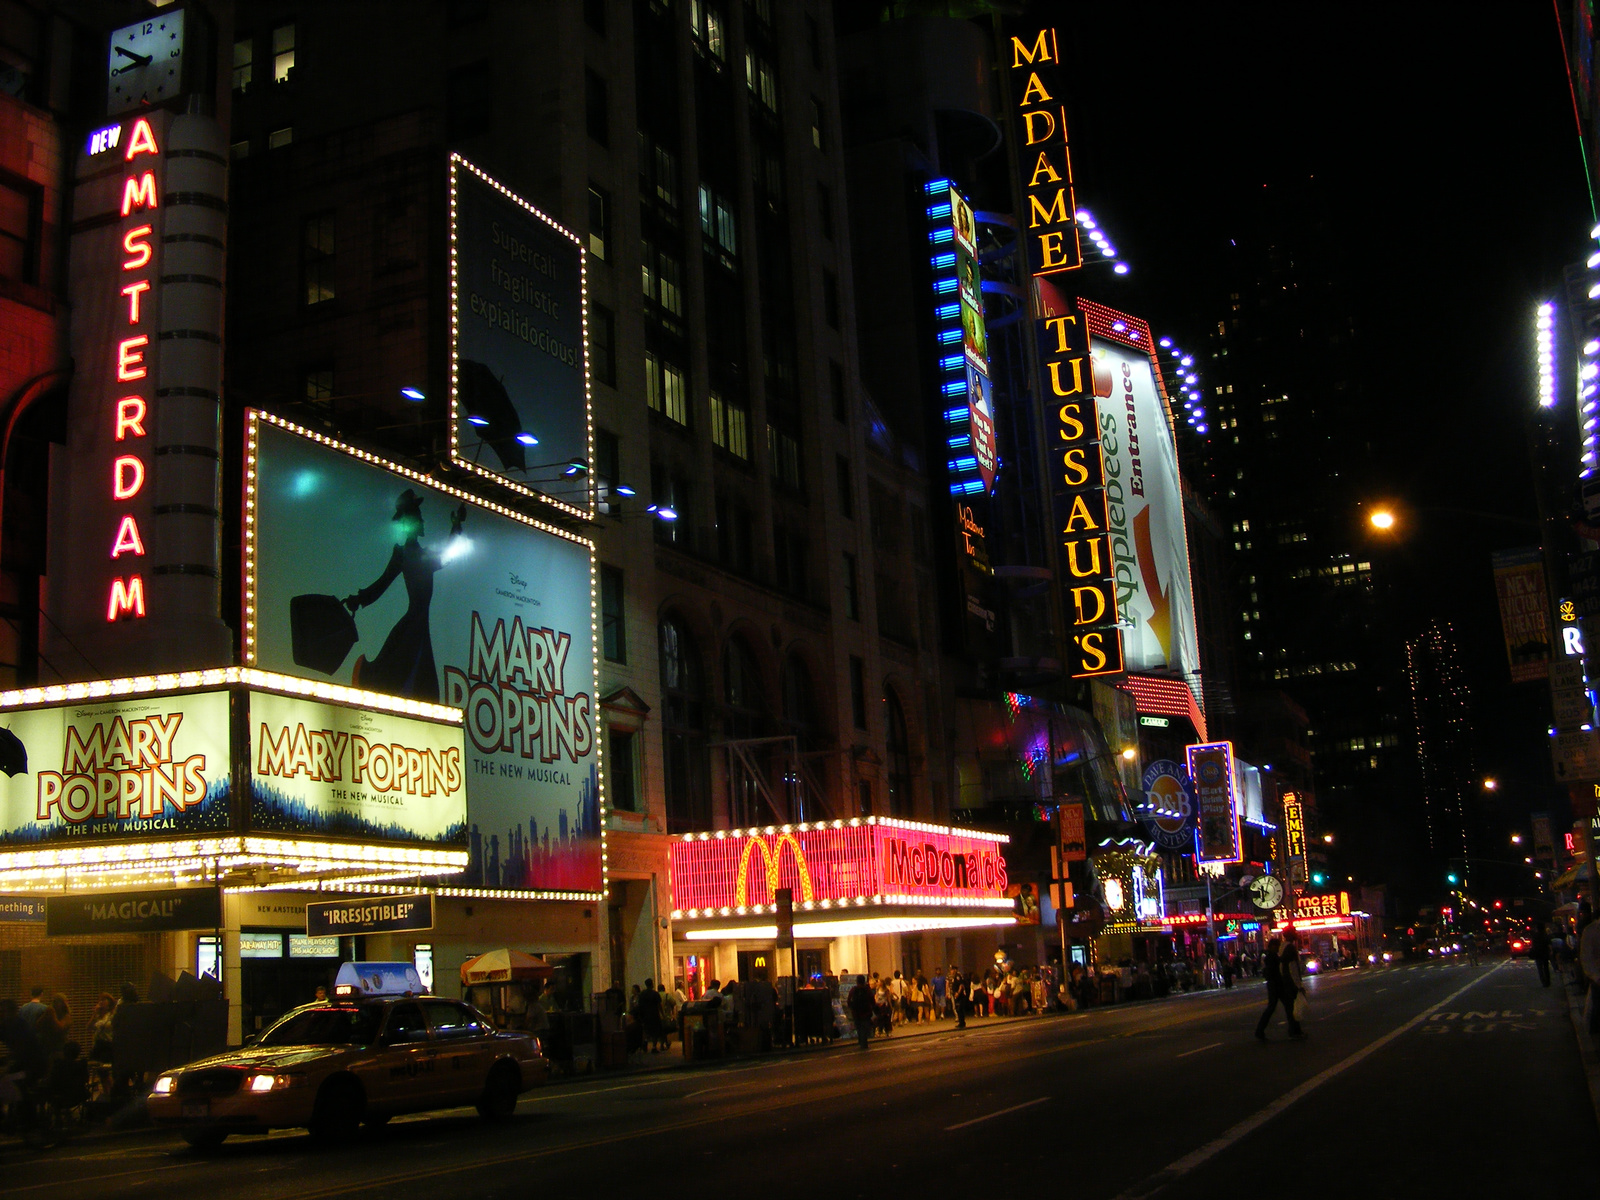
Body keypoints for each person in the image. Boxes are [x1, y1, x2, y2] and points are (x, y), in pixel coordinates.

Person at [342, 490, 467, 702]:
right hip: (413, 625)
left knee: (417, 677)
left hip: (417, 624)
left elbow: (446, 557)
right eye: (419, 517)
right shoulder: (406, 554)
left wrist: (456, 526)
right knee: (404, 673)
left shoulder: (421, 555)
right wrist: (359, 599)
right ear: (412, 521)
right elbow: (383, 583)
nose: (423, 520)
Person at [1255, 934, 1298, 1040]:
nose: (1278, 948)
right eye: (1276, 946)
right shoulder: (1272, 957)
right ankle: (1293, 1031)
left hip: (1275, 985)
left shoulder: (1271, 956)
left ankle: (1293, 1030)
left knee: (1282, 1007)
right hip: (1276, 985)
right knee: (1284, 1007)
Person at [34, 993, 69, 1059]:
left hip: (59, 1048)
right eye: (54, 1002)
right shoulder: (48, 1013)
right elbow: (37, 1026)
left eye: (57, 1002)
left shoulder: (66, 1016)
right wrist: (45, 1015)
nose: (55, 1004)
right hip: (46, 1047)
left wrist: (52, 1015)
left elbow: (59, 1029)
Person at [846, 975, 875, 1050]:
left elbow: (849, 1000)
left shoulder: (853, 990)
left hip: (856, 1012)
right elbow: (872, 1000)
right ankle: (864, 1042)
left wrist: (851, 1008)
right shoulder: (867, 990)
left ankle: (861, 1041)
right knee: (864, 1027)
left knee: (859, 1027)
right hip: (866, 1012)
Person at [636, 977, 664, 1052]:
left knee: (646, 1030)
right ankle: (654, 1047)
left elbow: (639, 1005)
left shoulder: (642, 994)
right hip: (654, 1014)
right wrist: (662, 1014)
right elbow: (659, 1005)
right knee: (655, 1031)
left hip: (645, 1014)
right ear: (652, 984)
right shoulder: (655, 994)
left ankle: (645, 1042)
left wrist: (640, 1014)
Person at [1532, 922, 1552, 988]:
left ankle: (1543, 982)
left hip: (1537, 953)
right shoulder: (1545, 935)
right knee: (1546, 967)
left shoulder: (1535, 936)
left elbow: (1533, 945)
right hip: (1545, 952)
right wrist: (1551, 951)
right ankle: (1548, 981)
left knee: (1540, 968)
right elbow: (1549, 944)